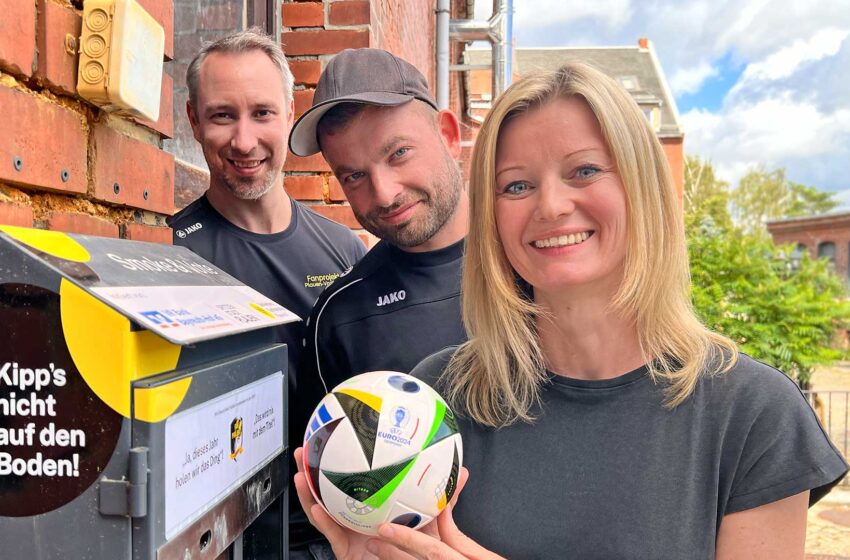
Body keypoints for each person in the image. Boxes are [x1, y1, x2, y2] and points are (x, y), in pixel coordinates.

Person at [293, 63, 850, 559]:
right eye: (516, 185)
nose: (552, 206)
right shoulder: (434, 402)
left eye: (584, 171)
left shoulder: (752, 414)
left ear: (641, 185)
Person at [167, 30, 366, 559]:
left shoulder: (345, 251)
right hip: (219, 542)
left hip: (336, 536)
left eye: (261, 113)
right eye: (222, 116)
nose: (244, 141)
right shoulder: (167, 257)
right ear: (192, 121)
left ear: (289, 111)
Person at [289, 48, 468, 399]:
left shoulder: (541, 262)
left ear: (448, 136)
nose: (384, 195)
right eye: (354, 175)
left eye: (398, 153)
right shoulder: (340, 318)